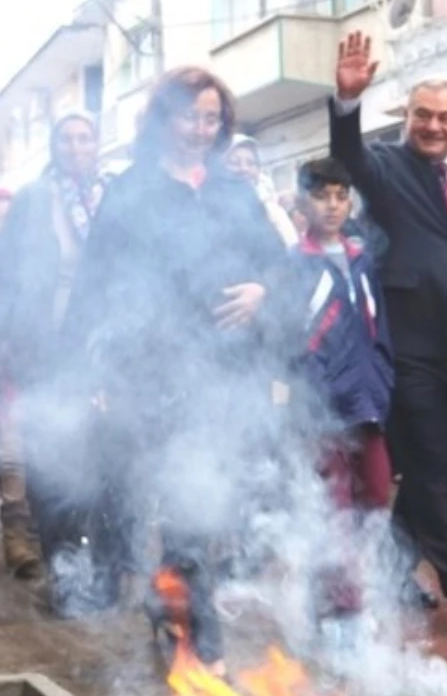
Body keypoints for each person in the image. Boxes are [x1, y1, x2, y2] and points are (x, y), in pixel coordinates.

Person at [69, 67, 289, 665]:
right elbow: (94, 287)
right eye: (189, 116)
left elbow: (279, 265)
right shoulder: (130, 192)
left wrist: (261, 294)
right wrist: (94, 374)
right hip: (153, 375)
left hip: (225, 374)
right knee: (173, 498)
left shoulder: (234, 192)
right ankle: (193, 630)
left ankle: (179, 616)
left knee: (205, 501)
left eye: (211, 118)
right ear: (163, 119)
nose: (200, 129)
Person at [328, 31, 447, 638]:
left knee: (446, 466)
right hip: (409, 347)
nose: (433, 127)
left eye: (445, 118)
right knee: (435, 467)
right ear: (405, 117)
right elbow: (349, 156)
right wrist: (347, 102)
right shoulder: (386, 166)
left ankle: (383, 570)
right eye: (422, 116)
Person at [0, 113, 116, 614]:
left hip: (106, 352)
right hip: (47, 350)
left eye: (85, 137)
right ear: (53, 146)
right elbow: (2, 273)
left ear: (97, 144)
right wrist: (7, 337)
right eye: (66, 138)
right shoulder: (35, 200)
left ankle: (101, 572)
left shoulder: (113, 197)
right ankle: (62, 571)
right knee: (51, 463)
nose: (77, 147)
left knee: (103, 465)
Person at [289, 157, 393, 619]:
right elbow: (286, 337)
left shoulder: (363, 258)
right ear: (301, 203)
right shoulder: (294, 264)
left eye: (339, 196)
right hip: (321, 405)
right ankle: (336, 607)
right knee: (333, 504)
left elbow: (380, 327)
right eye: (320, 196)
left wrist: (384, 381)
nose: (331, 206)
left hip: (367, 400)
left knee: (375, 493)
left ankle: (354, 588)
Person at [0, 186, 44, 581]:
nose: (1, 226)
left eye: (8, 217)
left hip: (32, 373)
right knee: (11, 457)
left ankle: (37, 534)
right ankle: (17, 541)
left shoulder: (32, 263)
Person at [227, 135, 300, 246]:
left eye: (251, 163)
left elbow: (291, 248)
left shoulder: (271, 210)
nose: (244, 169)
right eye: (235, 163)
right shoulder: (209, 208)